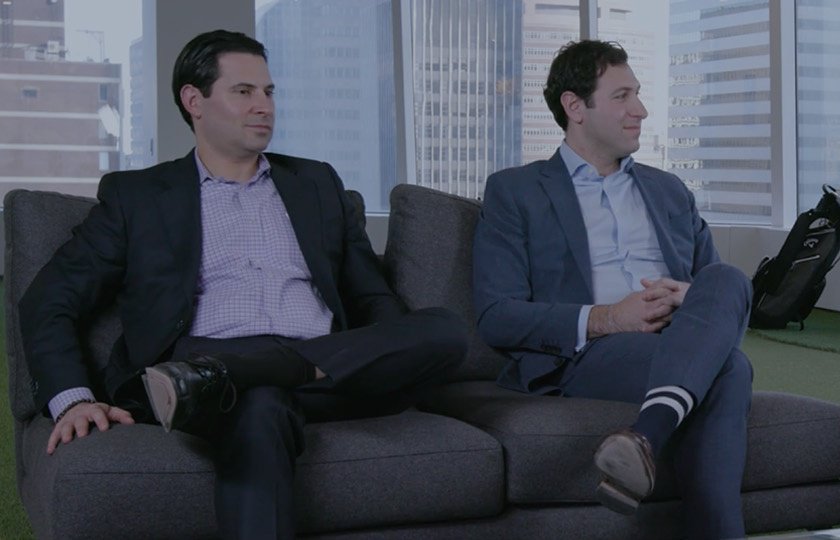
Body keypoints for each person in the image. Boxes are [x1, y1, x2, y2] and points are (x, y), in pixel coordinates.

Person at [19, 30, 467, 538]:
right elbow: (49, 299)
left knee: (445, 329)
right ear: (195, 101)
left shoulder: (317, 183)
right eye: (244, 91)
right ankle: (233, 375)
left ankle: (235, 372)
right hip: (203, 365)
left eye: (269, 92)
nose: (264, 107)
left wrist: (381, 354)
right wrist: (73, 399)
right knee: (258, 405)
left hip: (317, 368)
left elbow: (371, 297)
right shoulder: (138, 197)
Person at [472, 40, 752, 539]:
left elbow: (720, 296)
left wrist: (685, 298)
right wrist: (608, 318)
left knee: (728, 278)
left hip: (678, 335)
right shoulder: (514, 191)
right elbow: (496, 313)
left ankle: (645, 436)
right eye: (622, 96)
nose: (640, 110)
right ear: (575, 107)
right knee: (729, 369)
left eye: (638, 95)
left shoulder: (670, 191)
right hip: (591, 353)